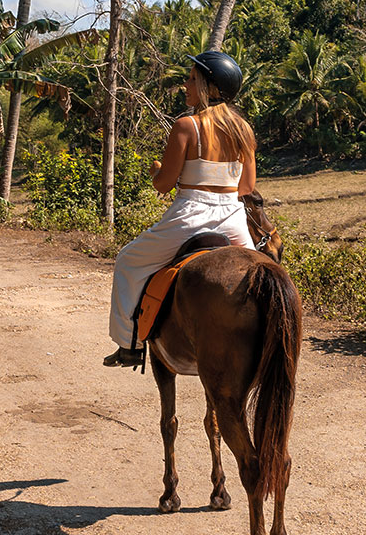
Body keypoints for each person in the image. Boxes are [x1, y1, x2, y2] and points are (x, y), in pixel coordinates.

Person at [102, 51, 258, 367]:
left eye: (191, 79)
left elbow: (163, 184)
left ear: (210, 88)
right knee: (262, 274)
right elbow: (246, 188)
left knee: (128, 261)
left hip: (191, 216)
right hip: (232, 218)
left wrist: (157, 171)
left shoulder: (186, 126)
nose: (185, 85)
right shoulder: (244, 130)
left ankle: (129, 343)